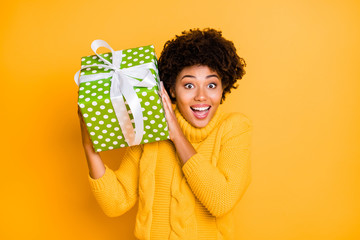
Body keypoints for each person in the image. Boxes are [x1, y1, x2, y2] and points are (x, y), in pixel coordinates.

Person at [78, 28, 252, 240]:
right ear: (171, 89)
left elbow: (221, 201)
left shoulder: (234, 127)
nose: (201, 96)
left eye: (211, 85)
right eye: (189, 85)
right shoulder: (150, 130)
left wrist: (176, 136)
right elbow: (116, 203)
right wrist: (90, 147)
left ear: (223, 88)